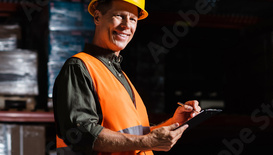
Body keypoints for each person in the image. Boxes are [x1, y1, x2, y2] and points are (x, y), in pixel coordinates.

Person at [52, 0, 202, 154]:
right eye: (119, 16)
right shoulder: (79, 67)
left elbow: (136, 135)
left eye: (133, 19)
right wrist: (147, 142)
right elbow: (79, 133)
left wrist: (175, 122)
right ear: (97, 17)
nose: (126, 26)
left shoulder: (119, 75)